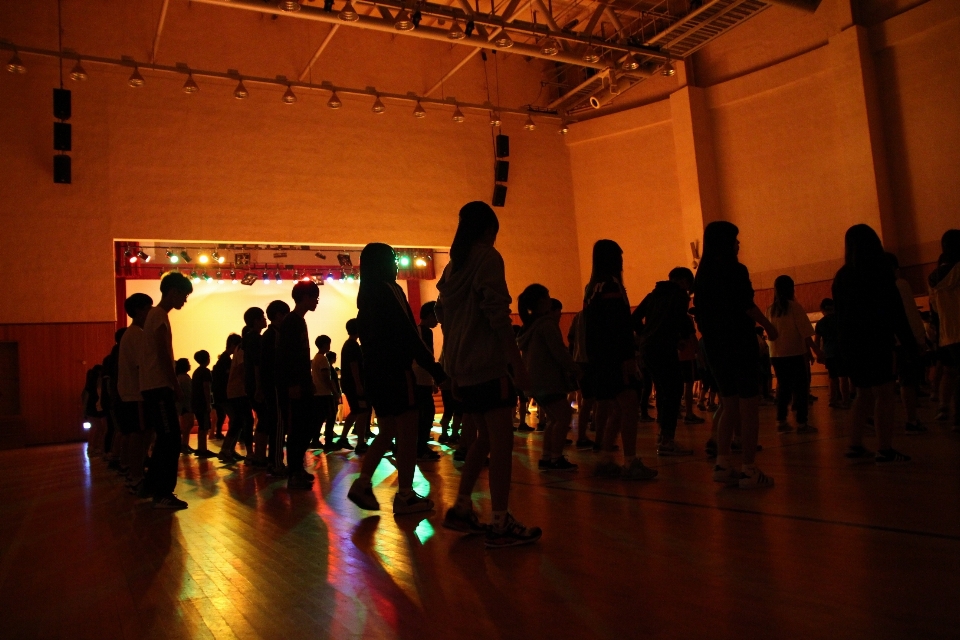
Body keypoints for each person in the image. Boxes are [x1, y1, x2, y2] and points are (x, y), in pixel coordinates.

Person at [437, 201, 541, 548]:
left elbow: (448, 321)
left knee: (481, 439)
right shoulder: (487, 259)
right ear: (488, 230)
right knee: (501, 443)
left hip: (463, 368)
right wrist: (518, 364)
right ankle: (499, 521)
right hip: (487, 365)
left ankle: (463, 508)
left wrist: (450, 367)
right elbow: (497, 315)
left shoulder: (452, 268)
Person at [346, 243, 447, 514]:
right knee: (408, 432)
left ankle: (363, 483)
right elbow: (409, 335)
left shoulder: (365, 294)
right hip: (396, 372)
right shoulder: (389, 289)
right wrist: (438, 372)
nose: (396, 264)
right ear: (382, 262)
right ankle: (405, 494)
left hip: (375, 373)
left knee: (389, 429)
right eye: (392, 258)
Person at [693, 221, 778, 489]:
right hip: (739, 342)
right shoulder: (736, 270)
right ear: (726, 242)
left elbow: (702, 315)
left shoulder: (702, 275)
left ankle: (722, 463)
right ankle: (750, 469)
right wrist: (769, 326)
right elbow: (746, 305)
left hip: (715, 345)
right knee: (749, 405)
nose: (738, 244)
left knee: (728, 403)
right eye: (735, 239)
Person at [832, 224, 917, 463]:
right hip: (876, 340)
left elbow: (839, 315)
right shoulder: (879, 270)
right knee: (884, 394)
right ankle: (885, 448)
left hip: (851, 343)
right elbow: (895, 311)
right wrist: (910, 344)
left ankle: (855, 444)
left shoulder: (842, 275)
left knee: (863, 394)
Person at [584, 239, 658, 480]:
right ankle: (630, 461)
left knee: (616, 408)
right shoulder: (611, 286)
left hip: (599, 358)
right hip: (615, 357)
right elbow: (618, 326)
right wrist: (627, 357)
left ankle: (606, 459)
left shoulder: (592, 287)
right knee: (629, 405)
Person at [140, 271, 192, 509]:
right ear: (173, 292)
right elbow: (162, 354)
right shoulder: (159, 315)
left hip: (155, 387)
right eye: (183, 295)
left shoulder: (155, 315)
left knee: (165, 438)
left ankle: (151, 486)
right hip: (159, 387)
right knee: (170, 439)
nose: (184, 300)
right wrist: (175, 384)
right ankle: (163, 491)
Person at [632, 267, 696, 457]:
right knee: (674, 391)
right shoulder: (679, 296)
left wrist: (645, 334)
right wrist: (681, 338)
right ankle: (667, 440)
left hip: (647, 348)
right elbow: (679, 320)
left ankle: (663, 435)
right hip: (663, 348)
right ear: (684, 281)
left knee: (662, 390)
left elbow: (634, 318)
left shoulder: (653, 295)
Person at [517, 284, 579, 471]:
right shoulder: (546, 324)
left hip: (535, 380)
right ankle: (556, 458)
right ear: (543, 301)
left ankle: (547, 457)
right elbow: (558, 351)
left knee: (554, 419)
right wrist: (575, 369)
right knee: (563, 417)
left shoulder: (529, 327)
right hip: (548, 379)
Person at [277, 281, 321, 489]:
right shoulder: (291, 322)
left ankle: (297, 468)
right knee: (296, 429)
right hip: (294, 386)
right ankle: (294, 471)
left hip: (303, 383)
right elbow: (286, 357)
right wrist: (293, 384)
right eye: (314, 297)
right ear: (304, 298)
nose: (316, 302)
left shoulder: (299, 321)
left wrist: (309, 381)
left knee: (307, 425)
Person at [765, 275, 823, 434]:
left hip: (776, 354)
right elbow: (805, 332)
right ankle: (802, 423)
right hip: (794, 353)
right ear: (792, 288)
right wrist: (816, 351)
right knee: (801, 388)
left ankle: (781, 421)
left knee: (783, 387)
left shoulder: (770, 309)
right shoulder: (794, 307)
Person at [887, 252, 928, 434]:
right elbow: (911, 314)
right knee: (907, 381)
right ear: (895, 269)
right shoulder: (900, 285)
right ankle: (911, 419)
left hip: (883, 343)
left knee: (884, 385)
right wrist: (919, 338)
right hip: (902, 341)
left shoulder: (872, 287)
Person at [117, 293, 153, 494]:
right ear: (139, 311)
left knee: (137, 436)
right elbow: (143, 367)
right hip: (137, 395)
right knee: (140, 437)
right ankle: (136, 477)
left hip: (131, 395)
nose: (151, 312)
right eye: (149, 308)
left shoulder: (130, 334)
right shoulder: (137, 334)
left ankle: (134, 475)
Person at [928, 229, 960, 430]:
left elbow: (934, 309)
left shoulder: (933, 277)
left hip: (947, 333)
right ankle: (958, 416)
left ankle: (943, 407)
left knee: (950, 373)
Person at [262, 300, 290, 474]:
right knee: (279, 424)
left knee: (277, 425)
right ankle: (276, 464)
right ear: (279, 315)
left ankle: (274, 462)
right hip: (275, 386)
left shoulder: (272, 334)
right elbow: (271, 364)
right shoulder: (272, 335)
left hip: (274, 385)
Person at [413, 301, 442, 461]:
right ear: (430, 315)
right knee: (427, 414)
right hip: (421, 379)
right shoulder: (424, 331)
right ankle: (420, 448)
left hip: (419, 379)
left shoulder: (416, 330)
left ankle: (420, 446)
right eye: (436, 317)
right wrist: (436, 379)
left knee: (423, 415)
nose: (437, 321)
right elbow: (427, 357)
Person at [340, 318, 372, 455]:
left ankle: (343, 438)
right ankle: (360, 443)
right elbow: (354, 366)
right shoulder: (352, 345)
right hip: (354, 384)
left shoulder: (349, 344)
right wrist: (359, 385)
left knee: (355, 411)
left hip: (350, 384)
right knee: (362, 412)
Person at [242, 307, 269, 465]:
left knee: (263, 418)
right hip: (256, 385)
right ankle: (260, 455)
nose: (265, 320)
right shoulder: (256, 339)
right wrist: (259, 387)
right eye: (262, 317)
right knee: (264, 419)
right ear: (256, 321)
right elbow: (257, 365)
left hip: (250, 384)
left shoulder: (248, 338)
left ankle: (259, 454)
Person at [312, 334, 348, 451]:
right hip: (325, 394)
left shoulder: (316, 358)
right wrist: (334, 391)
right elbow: (326, 377)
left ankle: (315, 440)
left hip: (318, 393)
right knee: (331, 417)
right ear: (324, 344)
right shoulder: (323, 359)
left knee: (319, 419)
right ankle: (328, 442)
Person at [814, 299, 849, 408]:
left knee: (832, 377)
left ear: (823, 310)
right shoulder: (841, 320)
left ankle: (832, 400)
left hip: (829, 352)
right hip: (841, 351)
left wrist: (818, 353)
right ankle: (846, 401)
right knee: (843, 376)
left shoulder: (820, 323)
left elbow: (817, 340)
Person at [568, 310, 595, 449]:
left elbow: (570, 337)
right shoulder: (597, 313)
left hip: (579, 360)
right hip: (592, 361)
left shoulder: (578, 315)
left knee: (587, 399)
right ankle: (598, 437)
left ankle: (582, 436)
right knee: (599, 400)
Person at [211, 334, 240, 441]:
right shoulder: (226, 361)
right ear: (233, 345)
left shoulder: (224, 359)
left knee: (233, 419)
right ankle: (228, 447)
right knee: (235, 419)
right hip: (224, 395)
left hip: (221, 395)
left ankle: (228, 448)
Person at [191, 350, 216, 458]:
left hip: (196, 402)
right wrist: (208, 403)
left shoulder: (196, 372)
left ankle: (200, 447)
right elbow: (206, 387)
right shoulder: (205, 372)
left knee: (201, 426)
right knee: (204, 426)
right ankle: (203, 449)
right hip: (202, 403)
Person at [175, 358, 195, 453]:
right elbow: (189, 392)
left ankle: (185, 444)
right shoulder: (184, 378)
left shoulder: (180, 377)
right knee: (189, 424)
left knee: (186, 425)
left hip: (183, 405)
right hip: (186, 405)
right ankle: (184, 444)